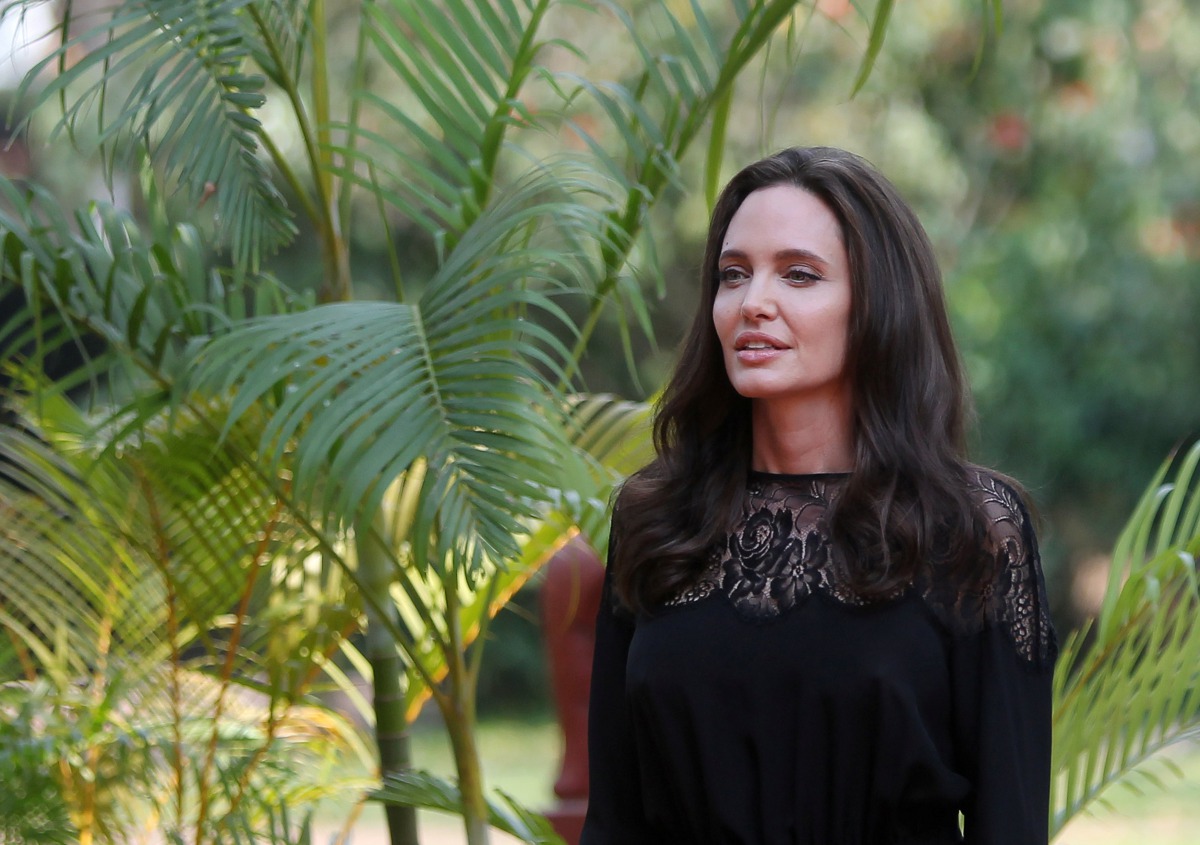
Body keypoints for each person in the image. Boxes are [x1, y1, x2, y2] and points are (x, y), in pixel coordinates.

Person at [580, 146, 1057, 845]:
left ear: (878, 301)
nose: (754, 303)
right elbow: (614, 819)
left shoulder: (972, 529)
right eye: (733, 275)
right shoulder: (656, 516)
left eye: (799, 274)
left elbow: (1009, 823)